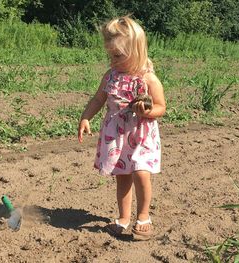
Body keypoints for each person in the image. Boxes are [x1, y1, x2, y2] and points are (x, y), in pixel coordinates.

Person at [78, 16, 166, 240]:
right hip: (118, 136)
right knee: (122, 177)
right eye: (110, 55)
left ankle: (143, 216)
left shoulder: (148, 79)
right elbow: (98, 99)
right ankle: (124, 217)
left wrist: (147, 111)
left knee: (141, 172)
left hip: (141, 135)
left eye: (117, 55)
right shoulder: (110, 76)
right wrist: (86, 117)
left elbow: (161, 107)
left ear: (136, 51)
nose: (112, 60)